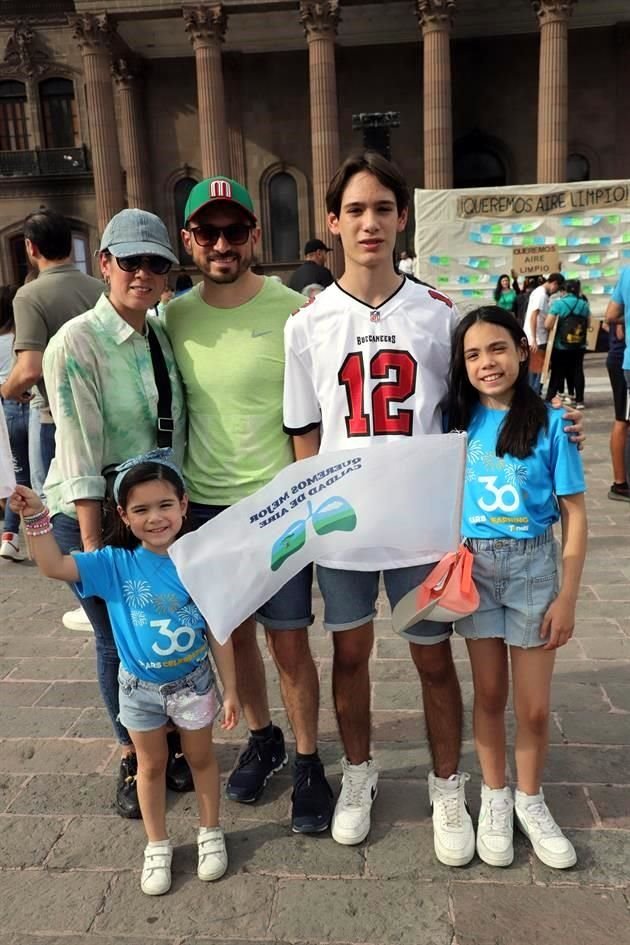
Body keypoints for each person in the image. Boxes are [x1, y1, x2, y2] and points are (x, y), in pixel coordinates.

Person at [282, 150, 584, 862]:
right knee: (349, 651)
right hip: (349, 524)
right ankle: (359, 771)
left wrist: (550, 417)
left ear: (401, 216)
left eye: (382, 208)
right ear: (332, 222)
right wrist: (317, 515)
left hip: (424, 525)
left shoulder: (437, 311)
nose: (369, 222)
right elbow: (305, 430)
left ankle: (448, 781)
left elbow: (483, 399)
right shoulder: (308, 322)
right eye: (354, 209)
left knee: (432, 660)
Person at [166, 176, 333, 834]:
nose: (223, 243)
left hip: (278, 504)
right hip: (206, 509)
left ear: (255, 236)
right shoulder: (173, 316)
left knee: (290, 644)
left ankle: (311, 758)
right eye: (208, 232)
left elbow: (322, 406)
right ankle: (263, 736)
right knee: (233, 642)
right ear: (190, 240)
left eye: (236, 231)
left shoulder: (296, 309)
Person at [11, 452, 239, 896]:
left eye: (164, 505)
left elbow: (218, 629)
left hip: (194, 685)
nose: (155, 518)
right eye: (141, 509)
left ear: (184, 504)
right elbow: (54, 566)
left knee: (201, 760)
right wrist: (37, 517)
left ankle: (210, 831)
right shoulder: (113, 564)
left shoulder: (200, 561)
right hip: (138, 691)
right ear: (123, 515)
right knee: (150, 766)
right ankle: (157, 843)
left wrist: (231, 689)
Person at [42, 208, 190, 819]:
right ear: (104, 264)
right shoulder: (76, 341)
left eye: (156, 263)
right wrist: (100, 551)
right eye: (131, 261)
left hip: (154, 515)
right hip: (94, 515)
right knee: (117, 643)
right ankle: (135, 754)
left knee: (158, 627)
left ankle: (171, 742)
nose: (144, 273)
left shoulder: (158, 333)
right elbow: (77, 452)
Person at [447, 306, 586, 869]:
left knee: (531, 708)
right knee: (488, 695)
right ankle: (496, 795)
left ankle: (530, 798)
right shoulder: (453, 423)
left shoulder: (552, 424)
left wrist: (568, 594)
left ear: (523, 350)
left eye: (498, 349)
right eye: (473, 354)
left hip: (534, 570)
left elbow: (575, 514)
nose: (487, 363)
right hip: (475, 571)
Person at [0, 210, 102, 475]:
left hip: (55, 418)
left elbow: (30, 368)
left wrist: (8, 390)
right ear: (70, 243)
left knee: (52, 505)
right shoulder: (101, 289)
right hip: (101, 413)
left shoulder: (29, 296)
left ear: (30, 246)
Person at [0, 285, 30, 560]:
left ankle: (9, 535)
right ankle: (46, 534)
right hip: (29, 403)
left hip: (6, 411)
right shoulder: (20, 337)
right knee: (42, 474)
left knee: (16, 475)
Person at [605, 268, 630, 500]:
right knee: (623, 419)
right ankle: (621, 482)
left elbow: (610, 315)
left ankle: (621, 482)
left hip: (626, 362)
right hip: (623, 360)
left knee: (624, 419)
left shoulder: (626, 272)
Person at [544, 279, 589, 409]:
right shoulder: (584, 305)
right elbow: (589, 324)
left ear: (564, 290)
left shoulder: (559, 304)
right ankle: (580, 400)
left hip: (561, 345)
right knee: (578, 371)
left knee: (557, 371)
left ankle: (550, 398)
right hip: (579, 344)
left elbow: (548, 324)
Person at [524, 272, 564, 392]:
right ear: (554, 283)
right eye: (556, 288)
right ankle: (534, 394)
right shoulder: (541, 295)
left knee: (538, 369)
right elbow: (533, 316)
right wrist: (534, 339)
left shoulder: (540, 293)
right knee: (537, 370)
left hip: (538, 336)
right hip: (538, 338)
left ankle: (534, 393)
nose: (555, 291)